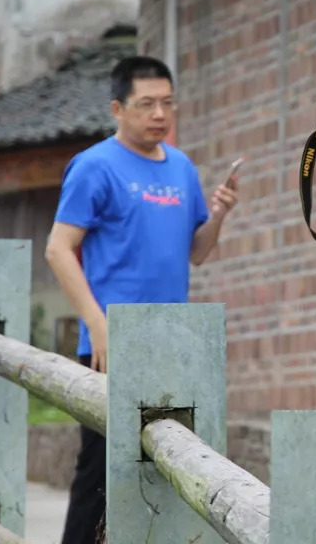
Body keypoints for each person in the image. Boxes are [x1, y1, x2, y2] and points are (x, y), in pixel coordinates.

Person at [45, 56, 239, 544]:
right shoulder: (94, 166)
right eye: (146, 104)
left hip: (175, 346)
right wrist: (98, 323)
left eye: (167, 103)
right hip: (111, 346)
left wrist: (217, 214)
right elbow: (58, 249)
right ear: (118, 108)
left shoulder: (181, 167)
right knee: (100, 474)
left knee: (166, 470)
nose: (160, 113)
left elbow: (196, 253)